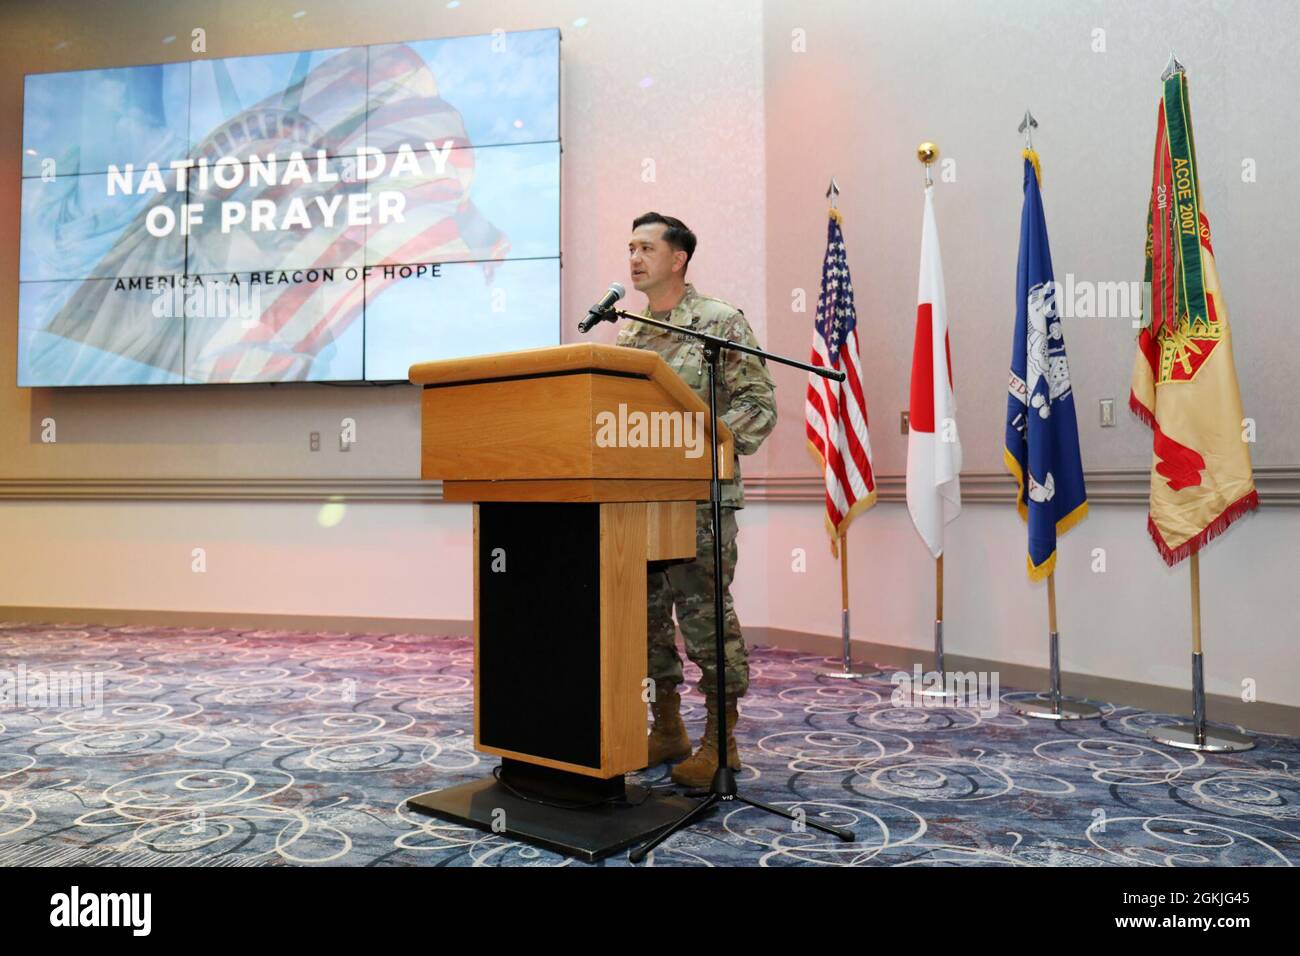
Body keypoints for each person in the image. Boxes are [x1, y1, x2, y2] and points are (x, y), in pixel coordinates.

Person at [615, 212, 777, 788]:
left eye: (646, 248)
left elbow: (760, 404)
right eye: (630, 248)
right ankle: (666, 727)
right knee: (647, 620)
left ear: (678, 258)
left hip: (698, 504)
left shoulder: (718, 322)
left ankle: (720, 739)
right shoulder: (629, 328)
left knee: (705, 621)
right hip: (639, 504)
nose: (633, 258)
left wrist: (702, 447)